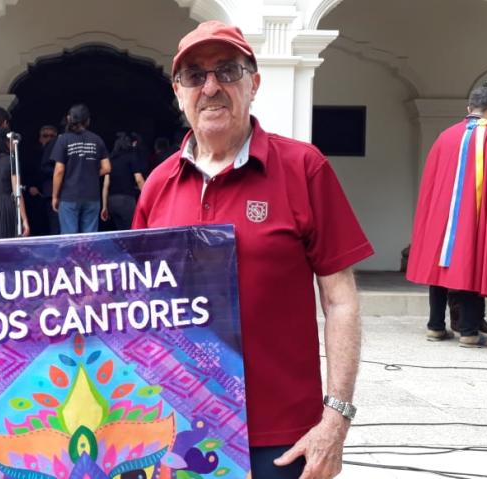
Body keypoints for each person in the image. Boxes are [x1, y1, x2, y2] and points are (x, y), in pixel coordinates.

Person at [132, 21, 373, 478]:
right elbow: (136, 309)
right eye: (195, 76)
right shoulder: (158, 185)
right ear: (178, 92)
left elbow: (341, 300)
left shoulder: (304, 168)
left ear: (254, 83)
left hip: (282, 436)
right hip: (177, 431)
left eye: (227, 70)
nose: (211, 87)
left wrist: (336, 420)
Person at [407, 86, 487, 347]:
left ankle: (435, 327)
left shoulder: (446, 135)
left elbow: (431, 180)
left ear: (468, 108)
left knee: (439, 267)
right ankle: (469, 332)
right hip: (471, 216)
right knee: (471, 264)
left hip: (442, 216)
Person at [51, 104, 111, 234]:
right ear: (88, 121)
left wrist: (55, 196)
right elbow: (107, 168)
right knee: (89, 238)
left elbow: (59, 170)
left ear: (69, 119)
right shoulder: (97, 139)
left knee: (70, 238)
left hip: (69, 196)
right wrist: (91, 173)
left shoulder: (63, 140)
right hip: (92, 196)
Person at [102, 132, 145, 230]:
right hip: (126, 200)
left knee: (120, 231)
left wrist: (104, 206)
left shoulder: (111, 160)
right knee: (131, 230)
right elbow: (139, 180)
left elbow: (106, 185)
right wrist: (148, 196)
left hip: (112, 201)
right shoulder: (131, 157)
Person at [38, 124, 60, 235]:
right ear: (40, 138)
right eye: (45, 136)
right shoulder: (36, 154)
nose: (49, 139)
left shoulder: (60, 152)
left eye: (52, 136)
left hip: (55, 194)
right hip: (36, 195)